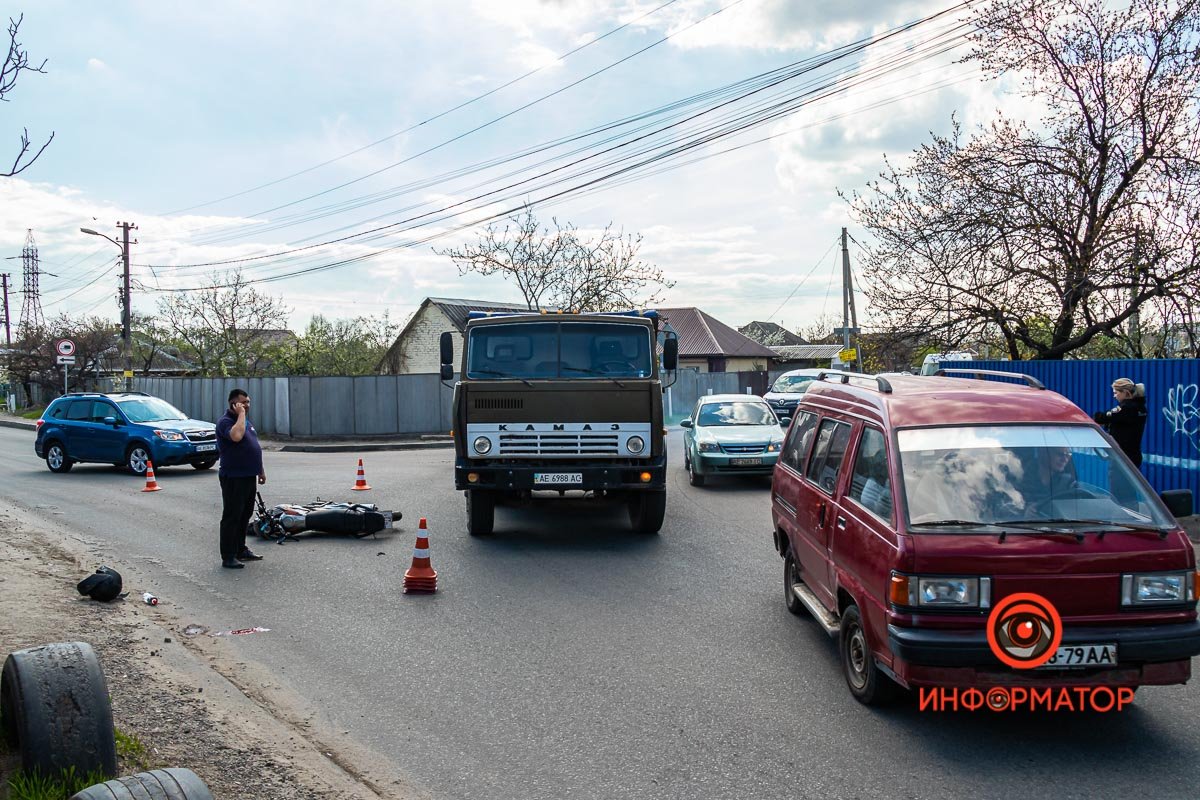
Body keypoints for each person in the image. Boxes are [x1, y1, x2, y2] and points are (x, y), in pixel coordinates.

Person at [215, 388, 266, 569]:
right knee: (232, 516)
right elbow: (236, 437)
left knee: (245, 515)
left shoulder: (244, 421)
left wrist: (260, 470)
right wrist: (241, 415)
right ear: (233, 404)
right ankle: (228, 556)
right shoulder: (225, 422)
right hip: (233, 477)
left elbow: (253, 446)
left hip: (248, 475)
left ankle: (240, 549)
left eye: (248, 402)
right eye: (243, 402)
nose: (247, 405)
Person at [1093, 378, 1148, 467]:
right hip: (1134, 455)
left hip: (1122, 457)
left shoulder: (1126, 409)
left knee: (1117, 480)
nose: (1114, 396)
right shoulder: (1141, 408)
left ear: (1126, 393)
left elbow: (1100, 418)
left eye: (1116, 393)